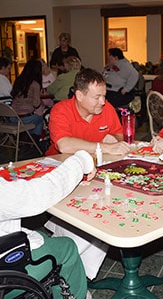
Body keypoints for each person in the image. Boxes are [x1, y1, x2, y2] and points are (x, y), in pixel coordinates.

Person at [0, 150, 95, 299]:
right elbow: (40, 194)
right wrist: (81, 161)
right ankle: (77, 295)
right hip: (7, 274)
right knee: (67, 246)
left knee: (42, 236)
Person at [46, 67, 131, 156]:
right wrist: (105, 147)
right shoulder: (61, 110)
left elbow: (121, 135)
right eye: (96, 97)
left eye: (104, 96)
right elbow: (64, 146)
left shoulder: (107, 108)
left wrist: (115, 138)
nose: (102, 102)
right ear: (79, 96)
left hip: (97, 162)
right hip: (61, 163)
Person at [11, 59, 44, 138]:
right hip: (26, 118)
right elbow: (36, 104)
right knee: (39, 119)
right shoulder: (35, 84)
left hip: (13, 117)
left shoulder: (18, 81)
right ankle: (34, 140)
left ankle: (25, 138)